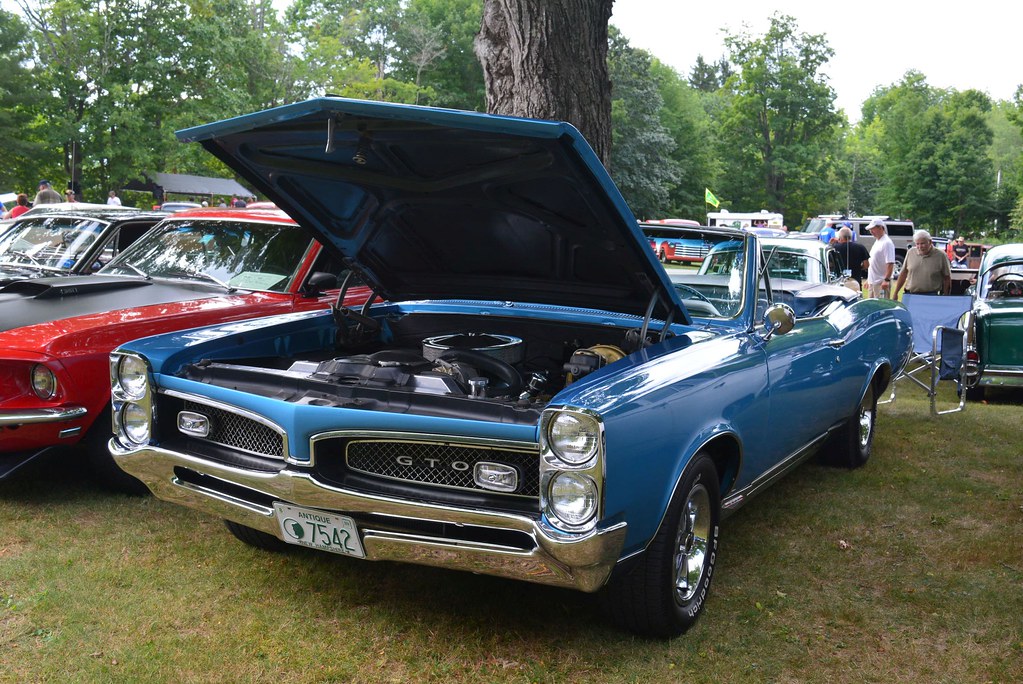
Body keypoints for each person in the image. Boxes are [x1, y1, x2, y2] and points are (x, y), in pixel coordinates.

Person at [892, 229, 951, 298]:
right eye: (917, 244)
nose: (920, 247)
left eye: (923, 243)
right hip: (910, 294)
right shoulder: (911, 252)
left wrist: (946, 296)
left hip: (931, 295)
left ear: (930, 242)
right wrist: (896, 292)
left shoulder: (941, 255)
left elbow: (947, 277)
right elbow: (903, 273)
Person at [865, 218, 896, 298]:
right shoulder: (878, 241)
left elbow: (890, 263)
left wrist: (886, 280)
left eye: (873, 229)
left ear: (881, 228)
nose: (871, 232)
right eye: (870, 230)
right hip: (873, 282)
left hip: (881, 283)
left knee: (880, 307)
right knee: (871, 306)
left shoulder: (887, 243)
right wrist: (869, 279)